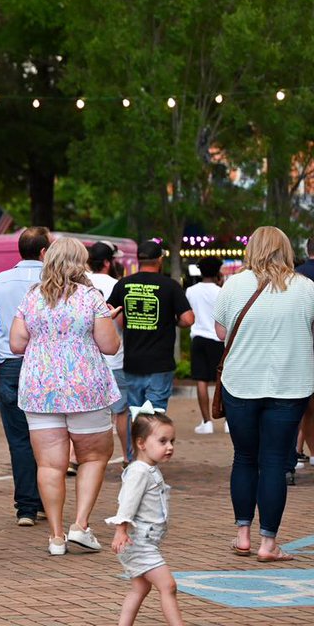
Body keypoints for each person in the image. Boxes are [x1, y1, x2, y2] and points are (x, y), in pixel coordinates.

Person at [10, 237, 122, 556]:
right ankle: (81, 526)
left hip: (40, 388)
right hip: (85, 386)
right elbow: (110, 345)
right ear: (80, 261)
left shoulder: (32, 297)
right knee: (94, 456)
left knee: (49, 464)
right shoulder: (91, 298)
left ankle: (56, 537)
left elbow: (17, 343)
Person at [214, 226, 314, 562]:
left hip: (240, 383)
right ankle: (268, 543)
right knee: (273, 461)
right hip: (290, 384)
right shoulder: (305, 288)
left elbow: (220, 331)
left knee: (244, 457)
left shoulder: (235, 285)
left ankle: (242, 535)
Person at [0, 226, 50, 527]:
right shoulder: (54, 281)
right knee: (51, 435)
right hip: (47, 365)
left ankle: (26, 507)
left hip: (12, 365)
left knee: (19, 438)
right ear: (44, 252)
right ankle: (47, 498)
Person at [108, 241, 193, 455]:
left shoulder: (123, 284)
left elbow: (111, 313)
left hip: (133, 360)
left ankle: (133, 457)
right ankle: (150, 459)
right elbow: (188, 318)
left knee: (135, 413)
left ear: (138, 259)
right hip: (160, 362)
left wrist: (129, 325)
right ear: (160, 260)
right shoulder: (170, 285)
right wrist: (173, 321)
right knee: (155, 414)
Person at [107, 412, 182, 626]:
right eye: (162, 441)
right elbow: (127, 502)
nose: (169, 447)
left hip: (144, 542)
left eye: (172, 441)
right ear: (141, 443)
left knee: (140, 587)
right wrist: (120, 530)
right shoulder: (139, 472)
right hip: (138, 543)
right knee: (168, 586)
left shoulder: (149, 469)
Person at [87, 242, 131, 461]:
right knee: (121, 412)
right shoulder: (118, 284)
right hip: (114, 357)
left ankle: (78, 458)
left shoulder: (80, 285)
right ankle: (127, 456)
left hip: (86, 359)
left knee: (82, 412)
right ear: (107, 262)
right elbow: (122, 324)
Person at [187, 257, 224, 435]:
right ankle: (227, 421)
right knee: (221, 380)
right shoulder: (221, 292)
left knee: (201, 380)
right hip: (218, 339)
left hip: (199, 337)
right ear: (218, 271)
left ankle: (206, 421)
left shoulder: (191, 291)